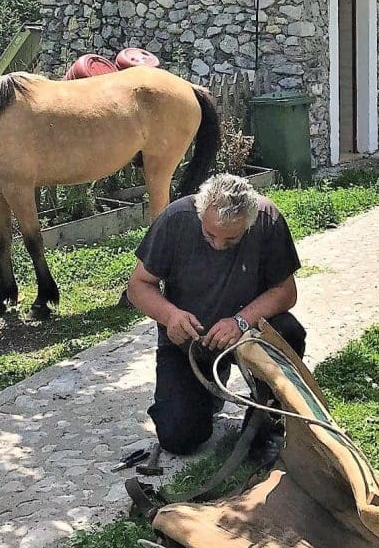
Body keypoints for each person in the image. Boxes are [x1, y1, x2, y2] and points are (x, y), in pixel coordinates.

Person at [126, 173, 306, 455]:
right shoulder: (175, 219)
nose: (218, 245)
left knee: (289, 332)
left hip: (248, 337)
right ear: (200, 214)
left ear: (249, 222)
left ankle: (266, 420)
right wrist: (170, 315)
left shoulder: (267, 219)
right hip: (188, 343)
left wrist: (241, 321)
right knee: (179, 439)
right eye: (209, 235)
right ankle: (207, 389)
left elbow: (286, 292)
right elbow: (138, 286)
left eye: (231, 239)